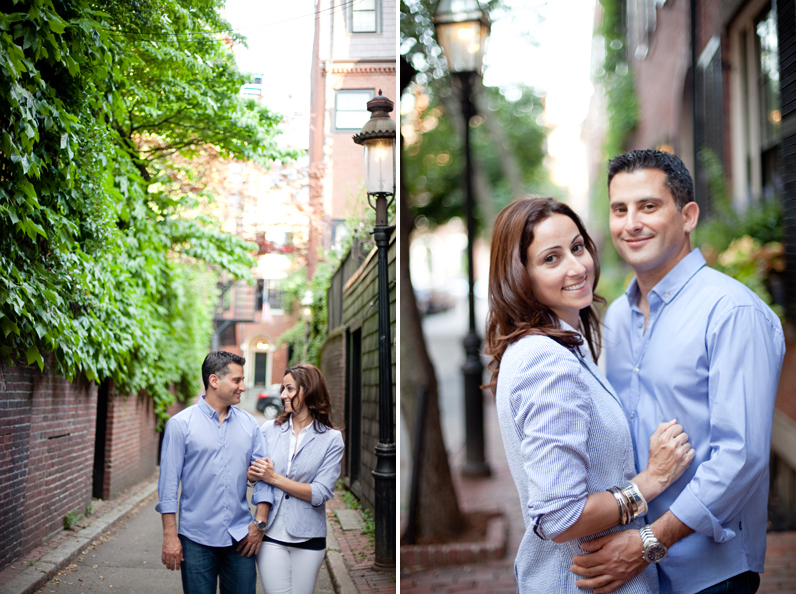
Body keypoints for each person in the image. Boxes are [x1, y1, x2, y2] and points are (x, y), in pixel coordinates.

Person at [570, 150, 786, 594]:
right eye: (619, 209)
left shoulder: (732, 312)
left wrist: (650, 540)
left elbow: (740, 457)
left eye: (648, 206)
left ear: (687, 216)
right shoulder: (618, 319)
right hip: (633, 572)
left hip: (709, 572)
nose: (631, 223)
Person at [486, 196, 695, 593]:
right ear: (520, 275)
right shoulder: (546, 363)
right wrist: (650, 481)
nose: (577, 267)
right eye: (551, 259)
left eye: (577, 248)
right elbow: (560, 515)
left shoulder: (561, 346)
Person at [156, 351, 273, 594]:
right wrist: (170, 536)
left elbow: (265, 477)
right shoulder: (180, 424)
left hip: (241, 537)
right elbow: (168, 485)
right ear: (214, 381)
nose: (243, 386)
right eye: (237, 380)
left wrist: (259, 524)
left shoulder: (250, 424)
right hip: (196, 538)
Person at [247, 363, 344, 594]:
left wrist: (273, 478)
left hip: (309, 538)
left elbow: (320, 493)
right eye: (282, 389)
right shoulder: (269, 429)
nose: (282, 395)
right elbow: (255, 476)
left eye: (289, 389)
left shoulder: (331, 439)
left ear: (308, 390)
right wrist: (252, 475)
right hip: (270, 534)